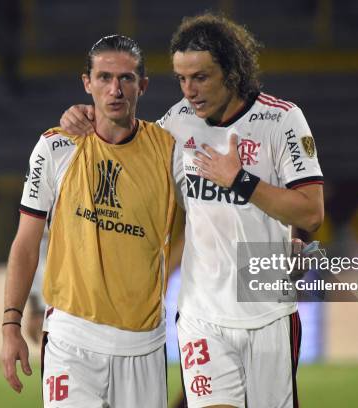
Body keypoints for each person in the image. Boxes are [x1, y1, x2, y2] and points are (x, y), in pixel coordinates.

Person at [60, 13, 324, 408]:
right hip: (201, 316)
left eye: (200, 77)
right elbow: (129, 163)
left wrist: (241, 181)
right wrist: (86, 119)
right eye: (182, 79)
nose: (190, 91)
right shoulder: (177, 124)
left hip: (268, 315)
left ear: (232, 72)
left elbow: (310, 213)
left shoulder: (281, 120)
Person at [1, 34, 180, 408]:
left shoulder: (169, 151)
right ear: (87, 83)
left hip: (143, 345)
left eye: (127, 78)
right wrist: (10, 325)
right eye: (104, 77)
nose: (115, 89)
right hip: (71, 340)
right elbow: (25, 244)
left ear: (143, 85)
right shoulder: (55, 147)